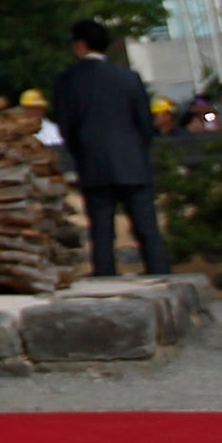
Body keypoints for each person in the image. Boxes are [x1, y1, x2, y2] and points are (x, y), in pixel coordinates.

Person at [52, 19, 169, 278]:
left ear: (81, 45)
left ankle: (106, 280)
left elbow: (66, 126)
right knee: (147, 230)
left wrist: (80, 152)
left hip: (93, 162)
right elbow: (145, 123)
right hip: (132, 161)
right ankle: (161, 276)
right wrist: (137, 150)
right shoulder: (128, 77)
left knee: (102, 232)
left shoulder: (68, 81)